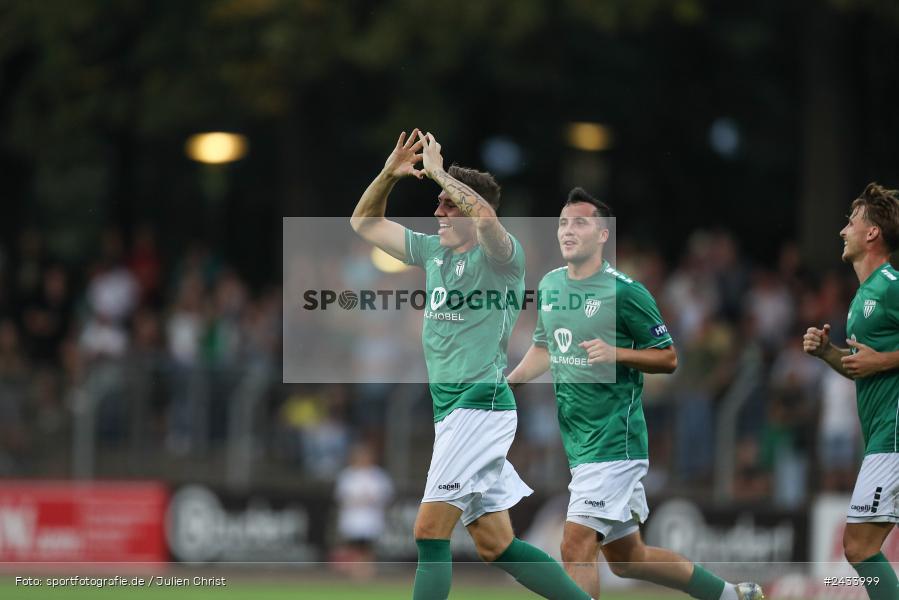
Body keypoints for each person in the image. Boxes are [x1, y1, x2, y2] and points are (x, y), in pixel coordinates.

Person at [351, 130, 592, 599]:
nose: (438, 212)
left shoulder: (502, 258)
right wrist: (389, 174)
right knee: (496, 545)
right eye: (438, 203)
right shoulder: (433, 252)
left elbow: (484, 216)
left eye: (446, 204)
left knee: (428, 530)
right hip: (455, 414)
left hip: (478, 407)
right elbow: (364, 222)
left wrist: (440, 172)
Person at [507, 187, 764, 600]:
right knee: (628, 559)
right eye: (562, 223)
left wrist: (616, 353)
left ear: (603, 234)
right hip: (581, 444)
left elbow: (668, 357)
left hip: (615, 443)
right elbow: (544, 347)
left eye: (580, 223)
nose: (568, 231)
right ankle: (733, 596)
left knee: (574, 546)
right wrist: (510, 382)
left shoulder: (626, 291)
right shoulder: (552, 284)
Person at [803, 182, 899, 600]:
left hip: (893, 435)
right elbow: (862, 367)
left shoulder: (892, 283)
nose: (843, 231)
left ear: (872, 233)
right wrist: (829, 354)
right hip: (880, 433)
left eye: (851, 222)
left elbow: (878, 362)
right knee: (860, 547)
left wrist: (884, 360)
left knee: (858, 547)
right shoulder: (863, 296)